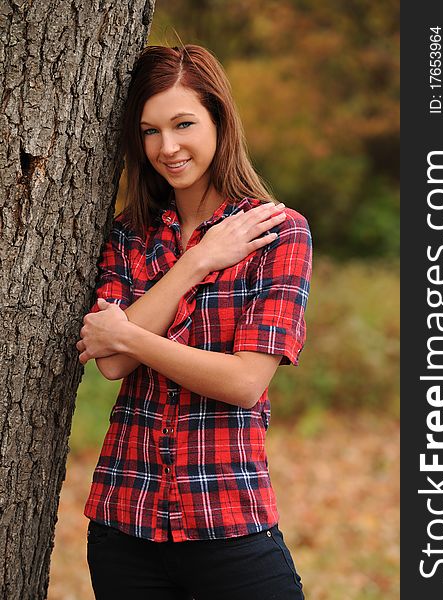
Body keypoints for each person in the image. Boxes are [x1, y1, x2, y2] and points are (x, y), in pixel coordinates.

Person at [76, 44, 313, 600]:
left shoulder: (277, 233)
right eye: (150, 131)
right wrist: (197, 261)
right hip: (122, 522)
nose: (169, 147)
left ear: (219, 120)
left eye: (184, 124)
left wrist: (131, 333)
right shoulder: (127, 236)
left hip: (227, 518)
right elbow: (110, 364)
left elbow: (243, 382)